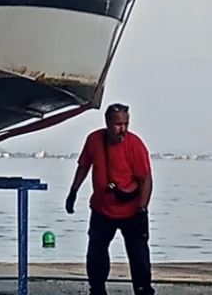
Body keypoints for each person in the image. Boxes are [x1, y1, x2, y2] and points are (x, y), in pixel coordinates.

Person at [65, 103, 155, 295]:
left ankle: (143, 290)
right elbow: (83, 166)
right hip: (102, 209)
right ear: (107, 123)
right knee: (96, 253)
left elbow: (146, 179)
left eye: (126, 124)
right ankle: (97, 289)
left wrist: (142, 209)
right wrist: (73, 191)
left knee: (139, 256)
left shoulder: (135, 145)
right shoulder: (94, 140)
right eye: (117, 124)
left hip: (131, 210)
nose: (122, 129)